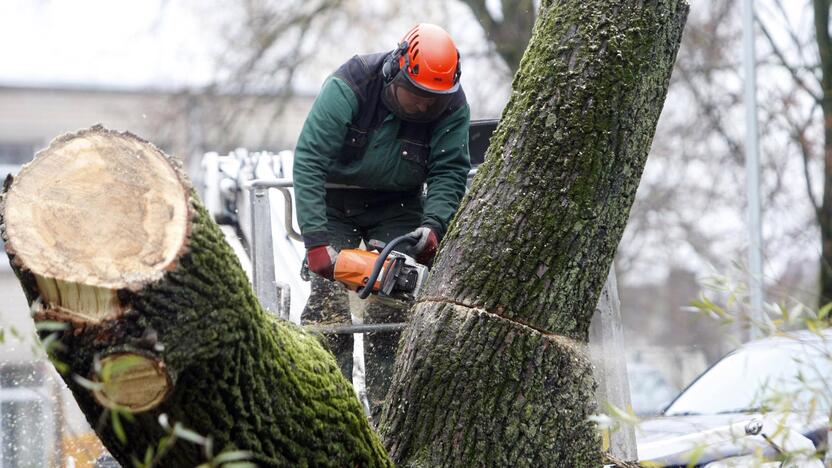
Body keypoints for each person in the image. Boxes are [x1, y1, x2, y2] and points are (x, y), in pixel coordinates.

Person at [293, 23, 471, 416]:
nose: (425, 106)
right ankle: (328, 409)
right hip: (334, 202)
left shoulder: (451, 105)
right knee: (329, 305)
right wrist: (318, 243)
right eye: (417, 94)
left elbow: (449, 171)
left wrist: (434, 225)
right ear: (396, 71)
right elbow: (308, 161)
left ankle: (390, 412)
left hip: (398, 209)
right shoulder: (352, 84)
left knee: (394, 300)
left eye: (433, 99)